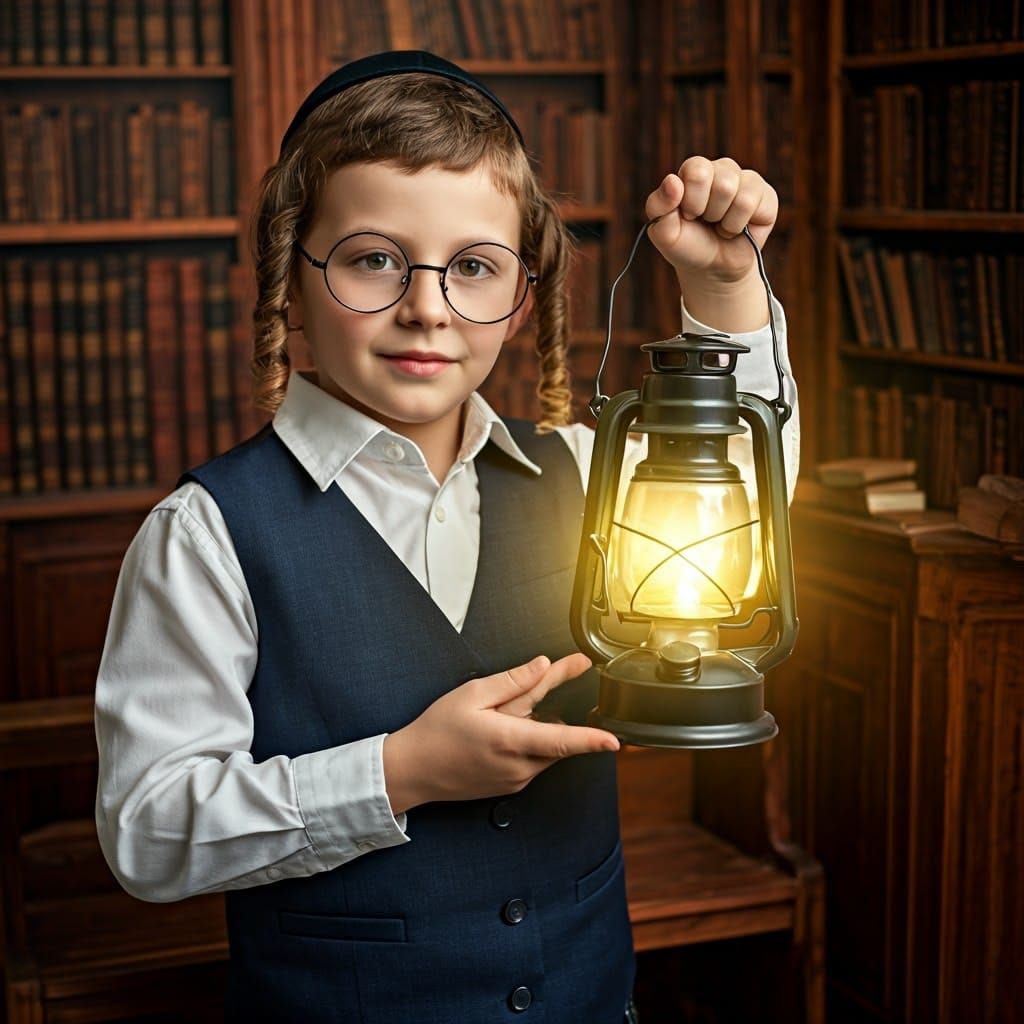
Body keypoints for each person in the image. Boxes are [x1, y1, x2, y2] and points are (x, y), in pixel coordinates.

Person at [95, 51, 799, 1023]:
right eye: (375, 258)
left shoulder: (592, 475)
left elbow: (756, 489)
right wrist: (401, 771)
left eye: (472, 266)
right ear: (292, 278)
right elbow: (147, 831)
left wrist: (723, 290)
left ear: (520, 296)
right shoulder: (206, 535)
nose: (427, 305)